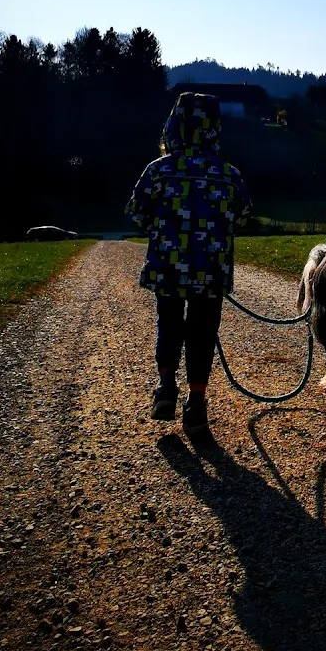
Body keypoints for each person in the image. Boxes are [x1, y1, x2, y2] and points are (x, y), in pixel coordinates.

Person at [125, 92, 252, 434]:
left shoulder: (158, 171)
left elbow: (136, 213)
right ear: (215, 128)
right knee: (203, 331)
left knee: (169, 322)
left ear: (175, 125)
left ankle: (166, 388)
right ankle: (196, 402)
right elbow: (241, 217)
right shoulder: (229, 175)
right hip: (210, 271)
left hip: (168, 267)